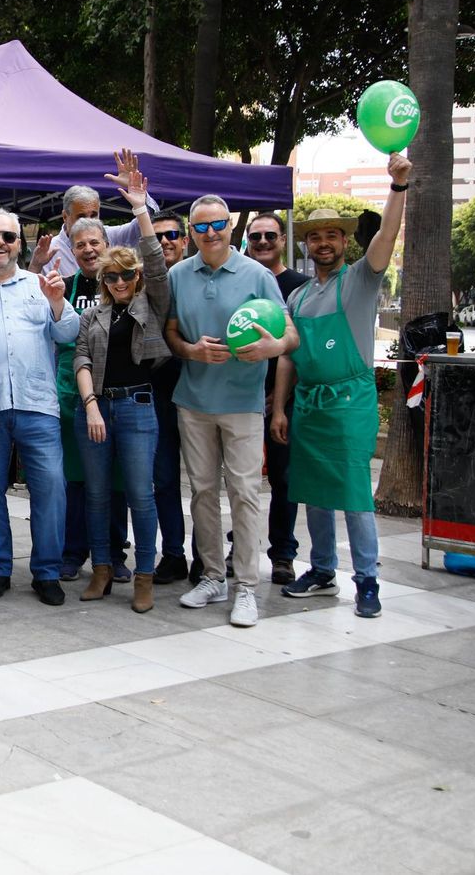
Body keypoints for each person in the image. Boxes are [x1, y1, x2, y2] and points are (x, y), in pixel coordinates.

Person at [273, 155, 411, 618]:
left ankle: (367, 580)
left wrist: (397, 188)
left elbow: (387, 237)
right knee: (313, 492)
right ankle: (322, 569)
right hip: (309, 404)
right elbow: (288, 356)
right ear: (307, 244)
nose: (324, 242)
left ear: (345, 241)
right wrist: (279, 408)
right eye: (316, 236)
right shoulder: (297, 295)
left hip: (351, 401)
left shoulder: (360, 280)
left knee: (354, 495)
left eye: (332, 234)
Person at [164, 195, 298, 627]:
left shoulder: (258, 275)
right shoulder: (177, 275)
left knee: (244, 494)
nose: (211, 233)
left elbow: (291, 335)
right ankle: (212, 576)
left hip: (242, 404)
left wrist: (273, 347)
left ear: (229, 227)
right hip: (194, 402)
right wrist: (190, 350)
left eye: (218, 224)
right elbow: (170, 332)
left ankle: (246, 587)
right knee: (202, 493)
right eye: (201, 227)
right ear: (191, 232)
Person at [0, 210, 79, 605]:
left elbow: (68, 332)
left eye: (8, 237)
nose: (1, 243)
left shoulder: (39, 284)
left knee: (51, 489)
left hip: (37, 403)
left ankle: (47, 572)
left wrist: (58, 303)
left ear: (19, 244)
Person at [72, 155, 169, 611]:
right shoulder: (94, 314)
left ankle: (144, 575)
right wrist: (91, 405)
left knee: (139, 495)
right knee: (96, 495)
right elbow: (82, 357)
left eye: (126, 274)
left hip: (137, 408)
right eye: (110, 276)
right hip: (97, 409)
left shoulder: (151, 302)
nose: (119, 282)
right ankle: (103, 569)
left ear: (137, 276)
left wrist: (140, 209)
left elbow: (156, 263)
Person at [57, 216, 131, 584]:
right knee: (75, 480)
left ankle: (115, 553)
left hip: (115, 395)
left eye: (94, 242)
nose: (88, 249)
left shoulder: (123, 286)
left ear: (106, 244)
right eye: (80, 244)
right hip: (73, 395)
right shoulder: (64, 288)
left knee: (115, 479)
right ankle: (73, 551)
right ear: (72, 250)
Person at [245, 212, 312, 585]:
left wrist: (279, 400)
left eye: (270, 235)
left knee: (283, 481)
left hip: (283, 403)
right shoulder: (241, 279)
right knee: (242, 481)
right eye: (255, 237)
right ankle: (240, 546)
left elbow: (299, 347)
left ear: (282, 240)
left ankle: (283, 554)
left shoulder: (300, 287)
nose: (263, 242)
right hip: (242, 398)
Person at [147, 210, 191, 584]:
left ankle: (209, 557)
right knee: (163, 480)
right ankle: (174, 554)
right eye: (157, 236)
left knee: (206, 484)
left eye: (172, 235)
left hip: (202, 392)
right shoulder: (142, 283)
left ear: (185, 240)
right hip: (159, 394)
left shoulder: (199, 276)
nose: (165, 241)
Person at [30, 161, 146, 278]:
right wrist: (35, 266)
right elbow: (31, 287)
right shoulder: (49, 251)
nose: (88, 222)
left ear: (106, 244)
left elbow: (148, 225)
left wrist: (139, 198)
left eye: (94, 215)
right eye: (81, 217)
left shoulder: (112, 235)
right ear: (65, 216)